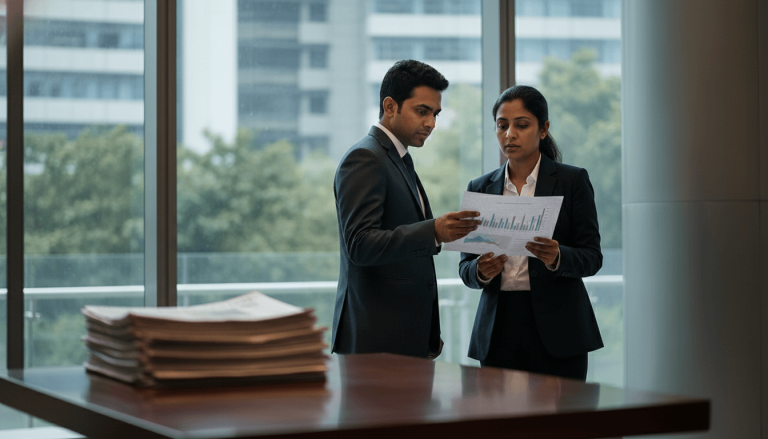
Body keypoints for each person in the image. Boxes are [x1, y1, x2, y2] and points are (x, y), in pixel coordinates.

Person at [332, 60, 481, 359]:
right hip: (377, 338)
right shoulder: (366, 157)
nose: (431, 123)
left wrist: (427, 332)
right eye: (422, 111)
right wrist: (434, 231)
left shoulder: (398, 158)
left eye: (435, 114)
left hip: (405, 336)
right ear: (390, 106)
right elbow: (360, 244)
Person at [458, 85, 603, 380]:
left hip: (559, 328)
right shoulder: (480, 187)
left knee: (560, 423)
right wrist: (481, 270)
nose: (510, 134)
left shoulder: (572, 180)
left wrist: (557, 256)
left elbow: (592, 257)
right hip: (498, 328)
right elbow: (465, 268)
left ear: (543, 128)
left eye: (521, 125)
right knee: (502, 424)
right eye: (502, 125)